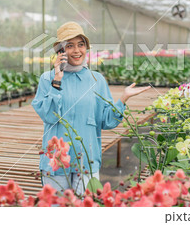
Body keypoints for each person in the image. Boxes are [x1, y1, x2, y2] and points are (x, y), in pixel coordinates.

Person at [31, 21, 150, 195]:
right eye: (70, 46)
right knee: (56, 209)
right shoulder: (47, 78)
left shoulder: (96, 80)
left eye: (81, 44)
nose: (77, 50)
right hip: (55, 160)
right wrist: (57, 79)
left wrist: (123, 98)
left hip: (85, 159)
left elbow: (106, 121)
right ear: (60, 51)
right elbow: (49, 116)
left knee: (84, 208)